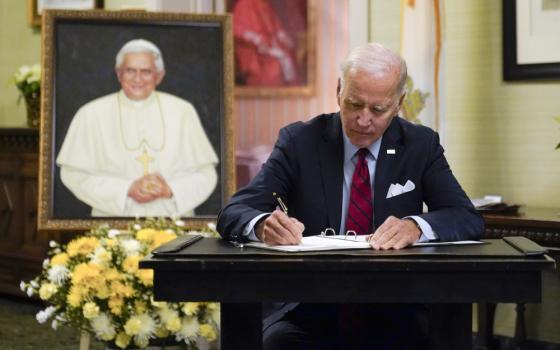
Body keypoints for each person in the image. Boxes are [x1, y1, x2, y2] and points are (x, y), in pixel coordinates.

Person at [217, 43, 484, 349]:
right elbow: (235, 211)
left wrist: (416, 226)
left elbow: (466, 217)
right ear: (338, 91)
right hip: (308, 307)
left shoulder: (421, 145)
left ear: (398, 104)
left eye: (378, 109)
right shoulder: (299, 141)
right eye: (354, 104)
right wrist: (263, 224)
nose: (363, 119)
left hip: (396, 305)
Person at [56, 39, 218, 217]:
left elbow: (206, 175)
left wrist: (170, 189)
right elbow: (74, 175)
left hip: (175, 223)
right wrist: (126, 189)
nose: (138, 79)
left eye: (146, 72)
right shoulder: (90, 114)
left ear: (159, 75)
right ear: (119, 74)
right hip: (112, 225)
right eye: (130, 71)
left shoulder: (183, 111)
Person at [232, 0, 299, 86]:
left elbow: (275, 26)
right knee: (274, 65)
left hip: (269, 44)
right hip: (253, 50)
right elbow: (237, 30)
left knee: (289, 55)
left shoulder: (265, 4)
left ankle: (290, 91)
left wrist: (283, 36)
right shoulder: (244, 4)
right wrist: (257, 40)